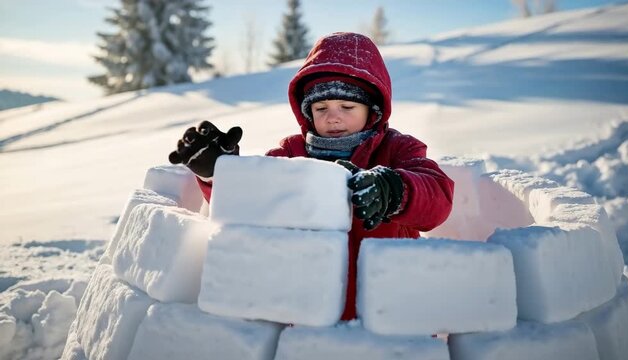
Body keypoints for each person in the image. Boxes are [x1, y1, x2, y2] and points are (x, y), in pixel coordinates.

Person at [169, 32, 454, 320]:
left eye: (347, 107)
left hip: (390, 312)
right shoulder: (292, 152)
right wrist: (218, 174)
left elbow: (439, 197)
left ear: (373, 109)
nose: (333, 117)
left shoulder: (397, 148)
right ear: (307, 111)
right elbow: (252, 202)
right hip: (306, 317)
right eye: (321, 108)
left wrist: (392, 189)